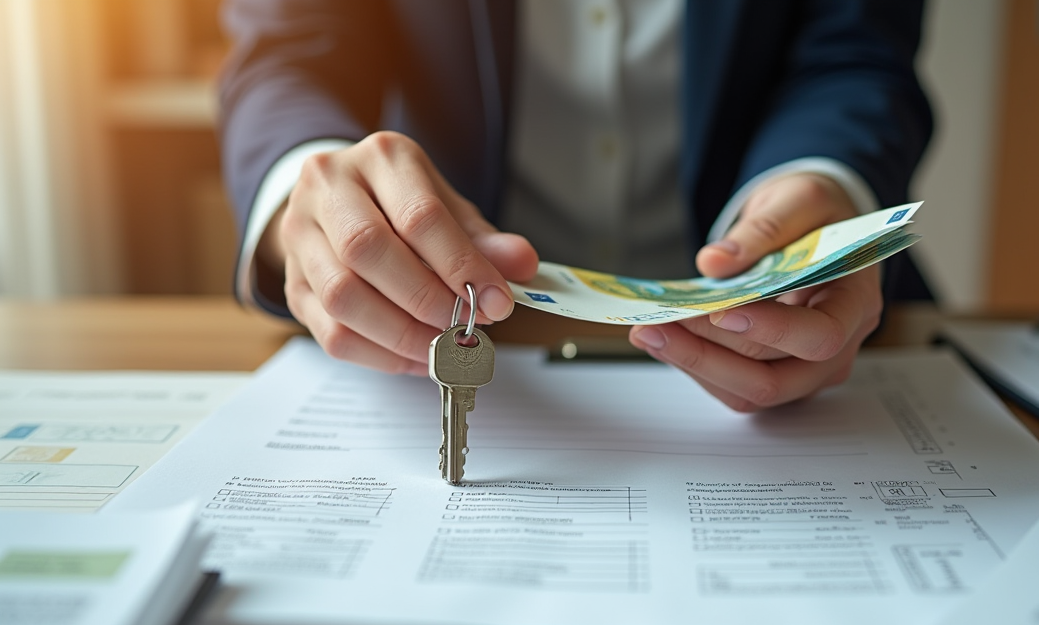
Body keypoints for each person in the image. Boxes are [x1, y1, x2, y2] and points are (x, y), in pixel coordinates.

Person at [219, 0, 933, 411]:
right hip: (451, 306)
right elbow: (286, 54)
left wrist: (825, 180)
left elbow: (856, 54)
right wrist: (307, 200)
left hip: (780, 312)